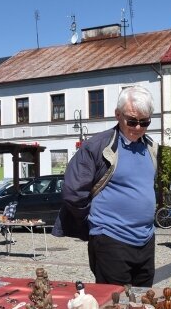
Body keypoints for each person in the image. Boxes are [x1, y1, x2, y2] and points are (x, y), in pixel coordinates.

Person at [54, 85, 160, 287]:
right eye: (132, 121)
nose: (138, 127)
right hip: (110, 238)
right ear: (117, 115)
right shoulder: (99, 146)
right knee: (114, 306)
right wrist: (93, 222)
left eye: (144, 122)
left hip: (146, 239)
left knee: (142, 302)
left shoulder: (151, 147)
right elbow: (73, 192)